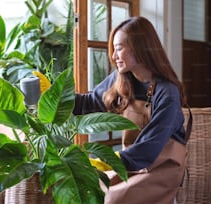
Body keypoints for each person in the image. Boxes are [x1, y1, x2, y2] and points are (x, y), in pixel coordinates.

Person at [73, 16, 190, 204]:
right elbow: (89, 102)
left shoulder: (167, 92)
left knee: (108, 198)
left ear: (139, 47)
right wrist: (55, 98)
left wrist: (104, 161)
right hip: (129, 167)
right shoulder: (122, 79)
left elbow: (149, 147)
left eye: (119, 48)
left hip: (158, 173)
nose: (113, 56)